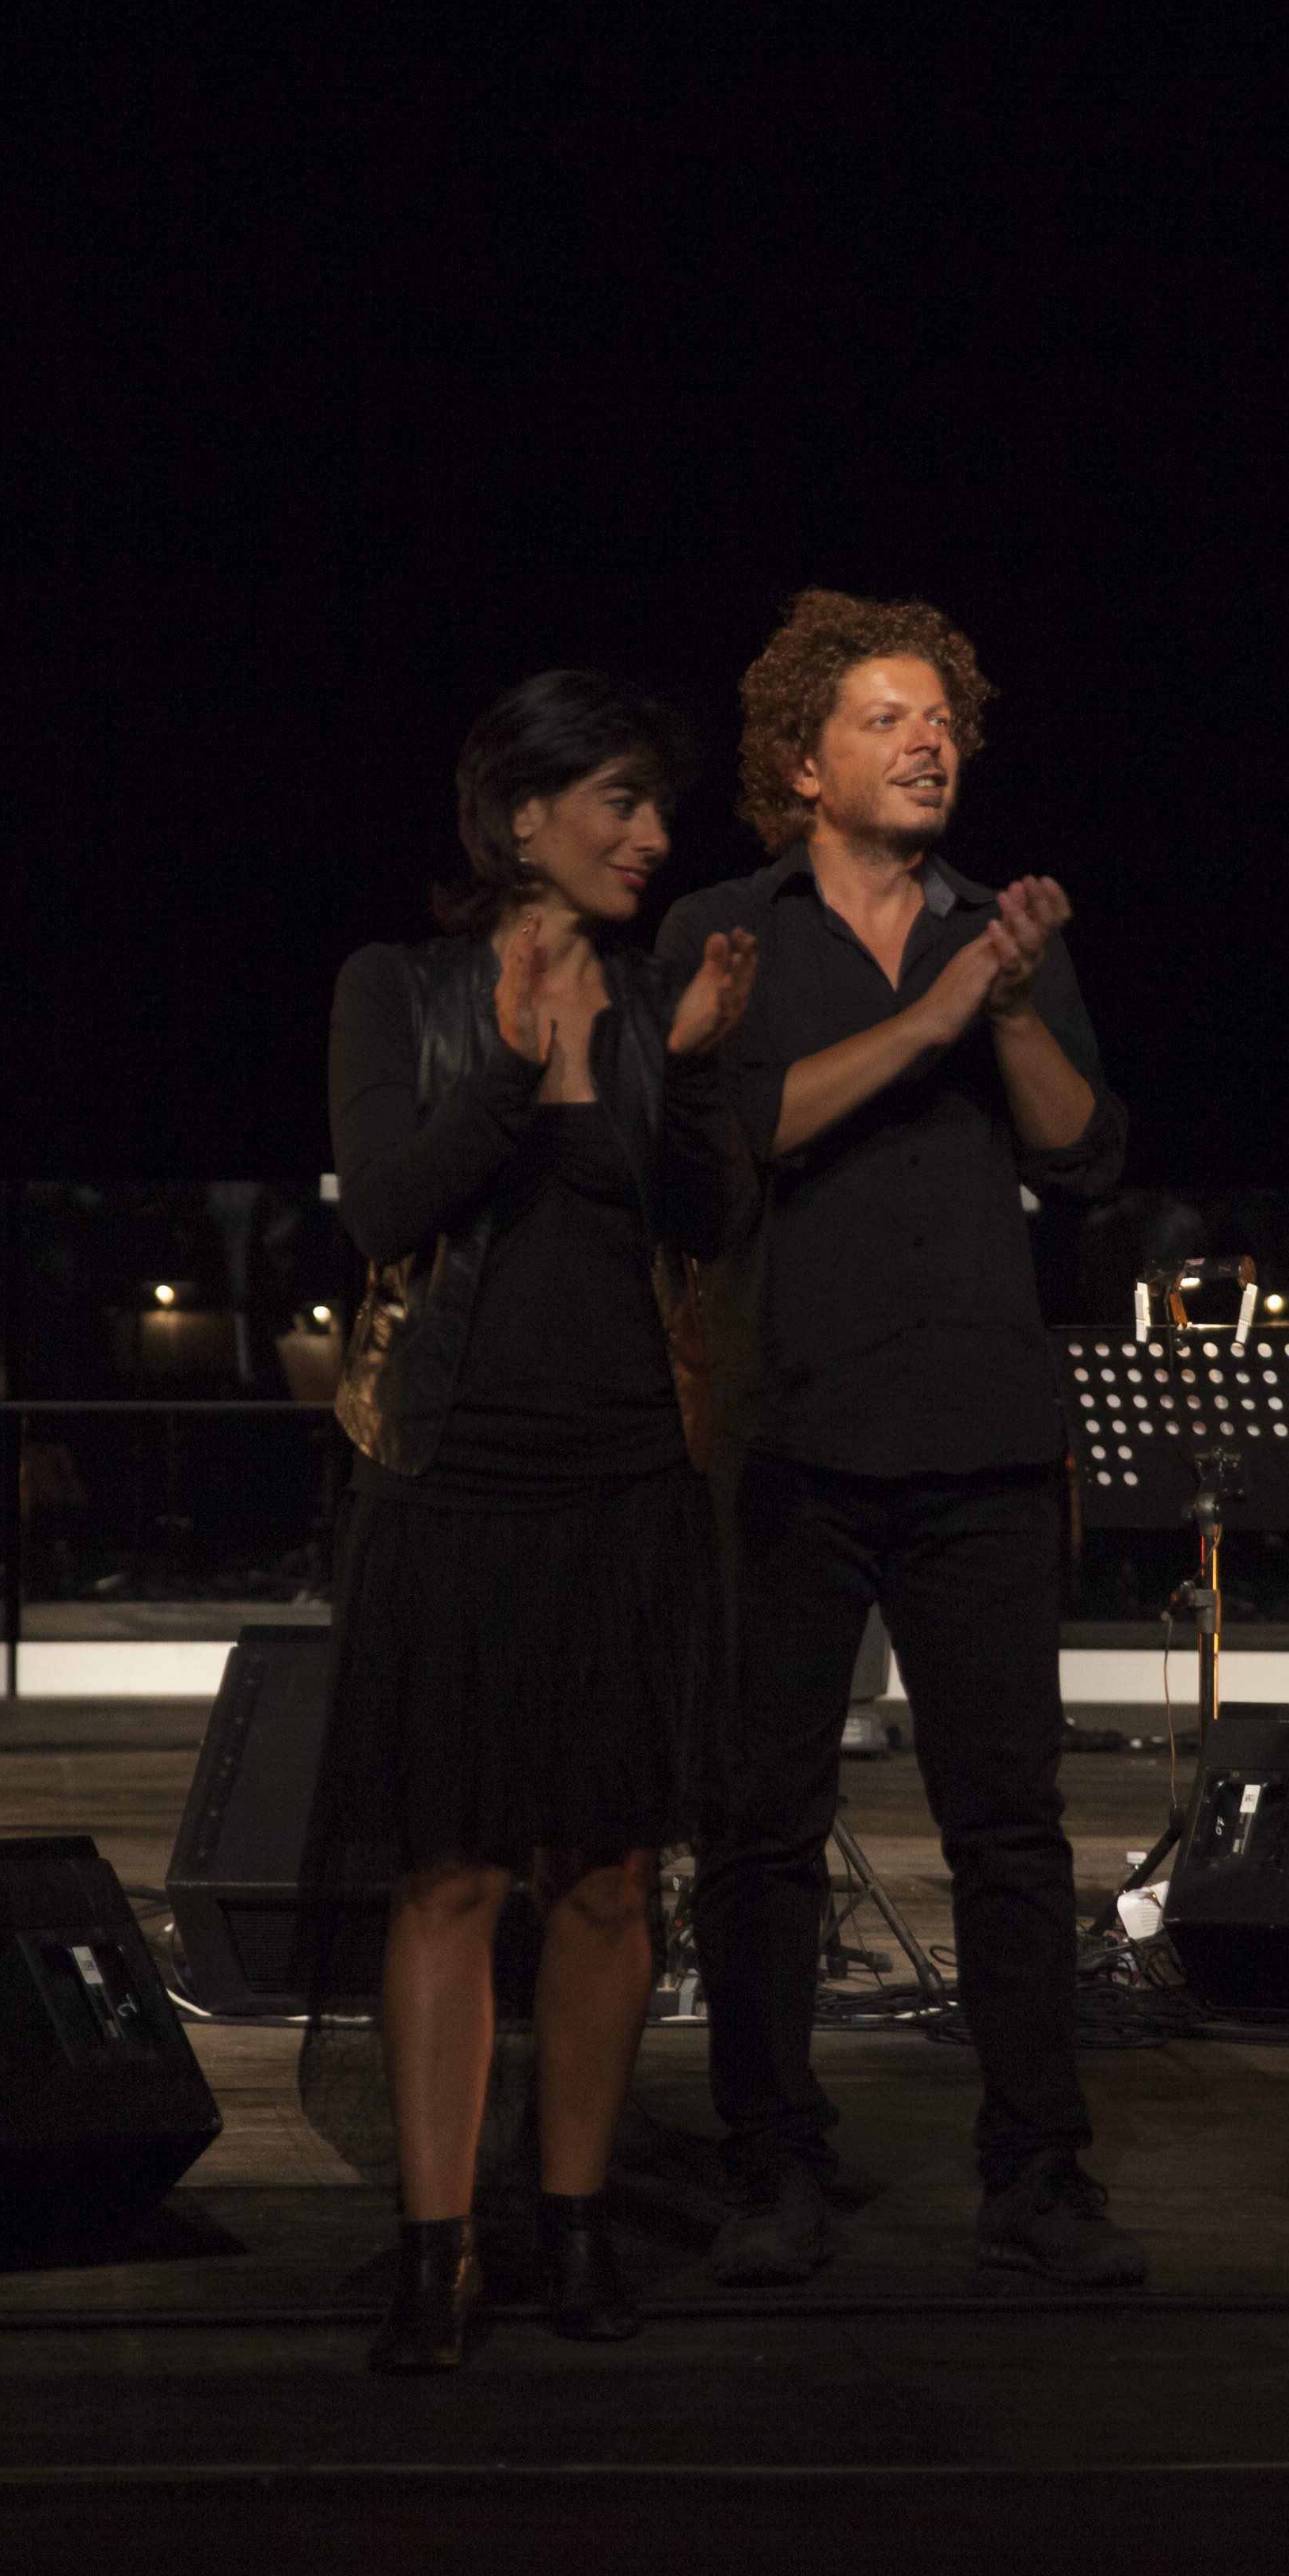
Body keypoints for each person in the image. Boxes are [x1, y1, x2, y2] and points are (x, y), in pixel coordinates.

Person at [653, 591, 1143, 2289]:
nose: (928, 741)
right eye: (885, 717)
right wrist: (930, 1023)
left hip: (985, 1436)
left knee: (1010, 1826)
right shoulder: (724, 930)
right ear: (801, 762)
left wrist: (1001, 1003)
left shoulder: (998, 929)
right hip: (790, 1435)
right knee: (763, 1824)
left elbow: (1083, 1151)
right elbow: (745, 1128)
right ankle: (773, 2161)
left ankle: (1040, 2167)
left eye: (942, 718)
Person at [317, 672, 760, 2372]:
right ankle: (438, 2245)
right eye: (623, 806)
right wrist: (510, 1072)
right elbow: (386, 1207)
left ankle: (571, 2219)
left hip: (630, 1488)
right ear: (523, 818)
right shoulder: (400, 989)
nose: (656, 838)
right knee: (448, 1875)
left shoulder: (656, 1001)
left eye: (660, 810)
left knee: (607, 1875)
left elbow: (708, 1224)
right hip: (452, 1487)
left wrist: (697, 1072)